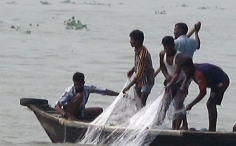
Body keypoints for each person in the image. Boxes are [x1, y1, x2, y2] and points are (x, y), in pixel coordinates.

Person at [179, 57, 229, 131]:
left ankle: (212, 130)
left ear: (190, 66)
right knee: (210, 104)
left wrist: (191, 105)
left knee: (210, 104)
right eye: (183, 70)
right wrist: (183, 84)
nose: (184, 71)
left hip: (221, 82)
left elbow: (203, 93)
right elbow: (188, 75)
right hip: (214, 82)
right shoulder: (192, 69)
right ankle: (211, 129)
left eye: (185, 69)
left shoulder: (198, 74)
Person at [158, 36, 187, 130]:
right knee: (164, 104)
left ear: (174, 46)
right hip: (170, 80)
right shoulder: (162, 54)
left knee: (178, 105)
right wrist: (167, 77)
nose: (167, 50)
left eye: (169, 48)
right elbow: (162, 67)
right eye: (165, 48)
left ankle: (177, 128)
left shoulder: (179, 57)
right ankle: (159, 124)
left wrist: (170, 84)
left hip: (181, 82)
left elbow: (177, 74)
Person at [122, 30, 155, 106]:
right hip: (139, 81)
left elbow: (139, 73)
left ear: (137, 41)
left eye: (131, 40)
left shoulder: (143, 53)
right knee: (137, 102)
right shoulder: (137, 50)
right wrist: (132, 70)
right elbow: (139, 64)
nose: (130, 42)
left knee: (141, 103)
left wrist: (129, 86)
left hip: (147, 80)